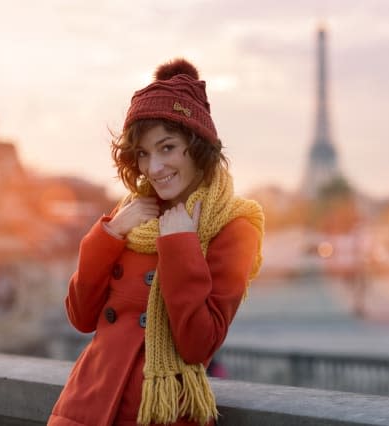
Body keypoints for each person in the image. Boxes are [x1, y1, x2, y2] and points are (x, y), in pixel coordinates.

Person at [48, 58, 264, 426]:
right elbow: (82, 317)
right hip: (87, 405)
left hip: (158, 412)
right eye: (144, 154)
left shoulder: (234, 226)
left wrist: (180, 244)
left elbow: (198, 344)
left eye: (167, 148)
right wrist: (109, 234)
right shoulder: (133, 211)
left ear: (198, 147)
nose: (154, 167)